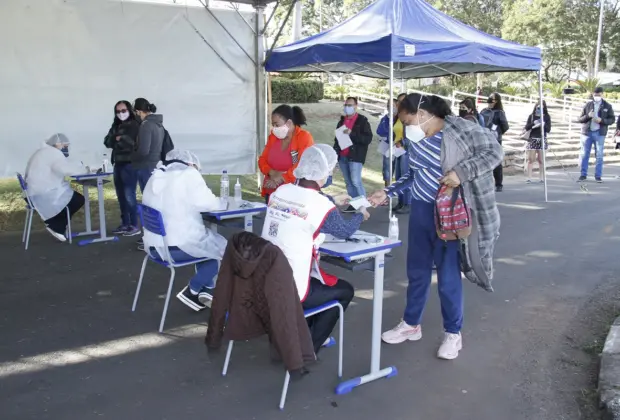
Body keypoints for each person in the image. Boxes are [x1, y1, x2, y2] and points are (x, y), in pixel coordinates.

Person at [368, 93, 503, 360]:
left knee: (448, 275)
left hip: (450, 212)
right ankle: (411, 324)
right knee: (416, 271)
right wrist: (388, 192)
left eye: (408, 121)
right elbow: (413, 173)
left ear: (423, 114)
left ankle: (453, 333)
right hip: (421, 209)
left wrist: (460, 173)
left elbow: (495, 152)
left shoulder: (462, 131)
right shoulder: (415, 139)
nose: (406, 127)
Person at [262, 144, 369, 354]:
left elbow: (301, 208)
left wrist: (331, 200)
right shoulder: (319, 204)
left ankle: (301, 335)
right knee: (344, 291)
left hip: (266, 280)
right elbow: (343, 231)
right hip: (291, 287)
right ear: (325, 171)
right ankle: (306, 350)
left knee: (318, 283)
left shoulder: (280, 191)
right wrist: (360, 214)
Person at [141, 150, 226, 311]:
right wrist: (223, 203)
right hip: (178, 246)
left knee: (208, 251)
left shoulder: (156, 174)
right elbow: (209, 204)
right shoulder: (188, 175)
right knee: (224, 249)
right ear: (190, 164)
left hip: (154, 246)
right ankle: (192, 290)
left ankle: (206, 292)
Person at [24, 133, 85, 242]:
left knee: (73, 198)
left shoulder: (43, 151)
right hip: (43, 193)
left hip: (33, 192)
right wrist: (82, 169)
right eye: (65, 146)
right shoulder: (53, 153)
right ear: (58, 145)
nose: (66, 148)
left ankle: (58, 225)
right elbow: (64, 169)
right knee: (78, 199)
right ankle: (56, 226)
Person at [258, 105, 314, 203]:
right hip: (271, 191)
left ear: (288, 123)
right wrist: (271, 172)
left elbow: (301, 165)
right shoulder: (273, 137)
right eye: (273, 125)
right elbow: (262, 160)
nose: (274, 128)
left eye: (276, 124)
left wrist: (280, 178)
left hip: (293, 194)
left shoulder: (304, 137)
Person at [104, 100, 141, 236]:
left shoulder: (135, 125)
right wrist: (117, 139)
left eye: (123, 111)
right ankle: (125, 223)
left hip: (130, 164)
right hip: (118, 164)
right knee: (120, 195)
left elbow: (131, 144)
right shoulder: (116, 125)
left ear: (129, 110)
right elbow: (107, 141)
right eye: (118, 111)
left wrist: (120, 139)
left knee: (129, 195)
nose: (121, 114)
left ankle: (134, 224)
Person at [333, 97, 373, 212]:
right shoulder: (341, 121)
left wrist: (352, 133)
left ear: (356, 106)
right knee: (348, 182)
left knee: (355, 181)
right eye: (346, 105)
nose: (347, 107)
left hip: (356, 156)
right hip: (343, 155)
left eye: (350, 105)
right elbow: (337, 139)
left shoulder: (362, 121)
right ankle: (354, 204)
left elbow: (367, 139)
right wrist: (335, 155)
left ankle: (363, 206)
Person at [578, 87, 615, 182]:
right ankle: (583, 175)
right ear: (593, 95)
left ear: (602, 94)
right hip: (587, 133)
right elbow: (580, 119)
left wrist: (602, 120)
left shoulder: (607, 106)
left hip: (599, 133)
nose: (597, 97)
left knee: (599, 155)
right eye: (595, 95)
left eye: (598, 95)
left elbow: (612, 119)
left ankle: (598, 176)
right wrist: (588, 116)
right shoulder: (588, 105)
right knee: (584, 154)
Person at [132, 98, 165, 192]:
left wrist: (132, 156)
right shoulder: (158, 124)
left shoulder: (145, 125)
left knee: (148, 199)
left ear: (138, 112)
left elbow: (143, 151)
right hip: (156, 165)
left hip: (146, 167)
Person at [480, 93, 509, 192]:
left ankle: (498, 184)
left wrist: (497, 132)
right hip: (483, 139)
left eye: (491, 98)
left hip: (495, 140)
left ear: (496, 101)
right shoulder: (483, 111)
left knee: (496, 162)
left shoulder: (500, 112)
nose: (489, 99)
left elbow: (505, 126)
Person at [524, 101, 551, 184]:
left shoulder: (546, 117)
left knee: (541, 160)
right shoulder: (531, 116)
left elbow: (548, 129)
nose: (539, 109)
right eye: (537, 107)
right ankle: (529, 177)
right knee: (530, 159)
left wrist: (543, 124)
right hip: (533, 138)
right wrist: (534, 123)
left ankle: (541, 178)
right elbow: (527, 127)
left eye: (541, 108)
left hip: (542, 139)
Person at [376, 99, 398, 188]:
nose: (390, 107)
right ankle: (387, 192)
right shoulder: (385, 119)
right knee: (387, 171)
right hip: (387, 147)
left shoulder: (401, 118)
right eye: (388, 105)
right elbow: (379, 131)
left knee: (400, 172)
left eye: (392, 105)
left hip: (400, 148)